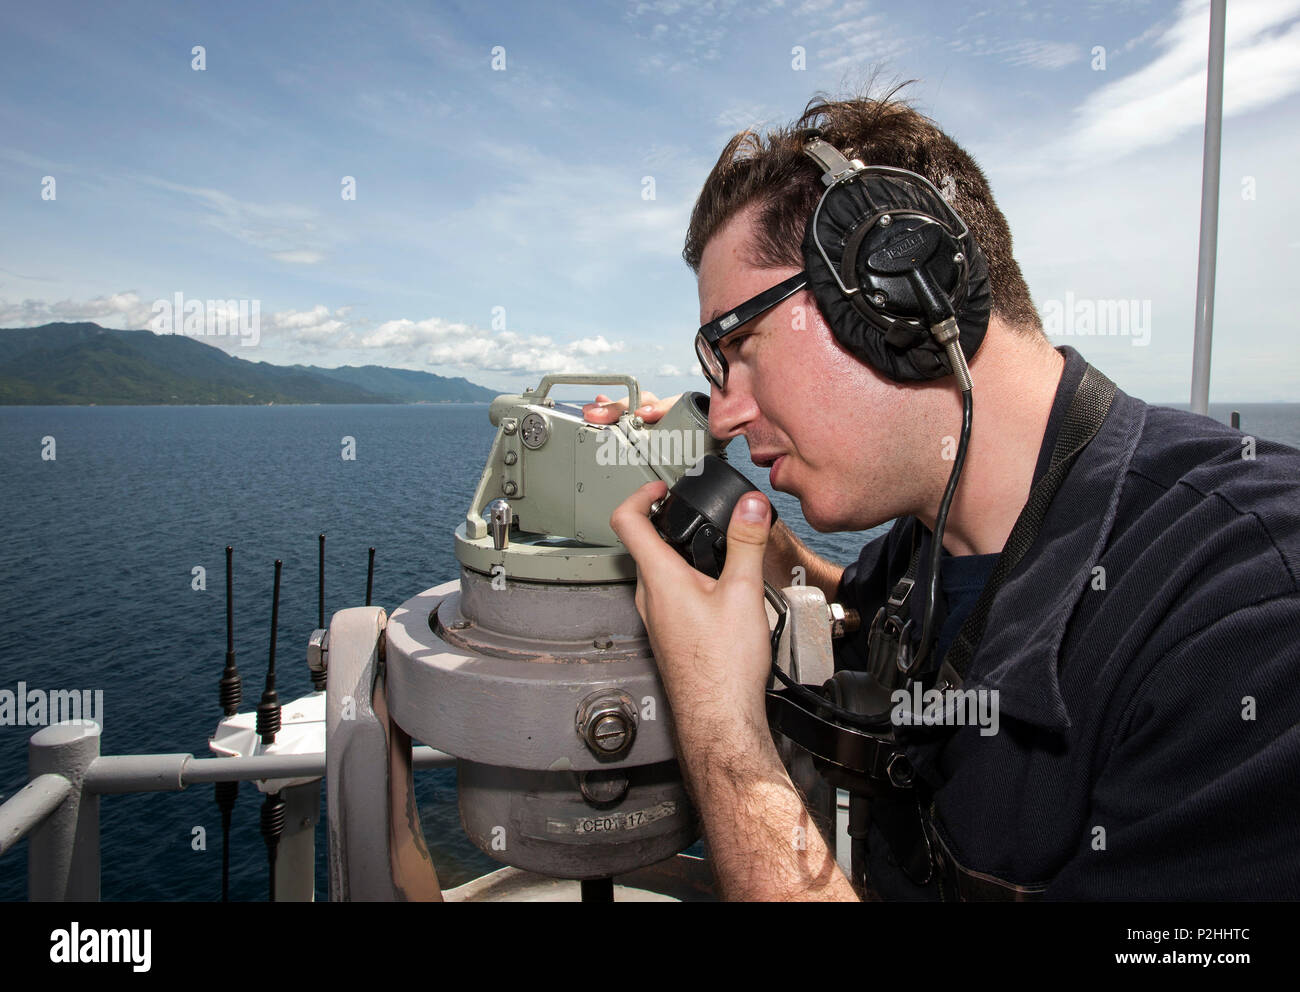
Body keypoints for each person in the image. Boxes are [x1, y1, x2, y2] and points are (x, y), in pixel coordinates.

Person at [585, 89, 1300, 901]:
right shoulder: (931, 539)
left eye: (740, 344)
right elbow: (862, 614)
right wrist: (754, 543)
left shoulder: (1250, 618)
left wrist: (722, 732)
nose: (723, 412)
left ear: (898, 286)